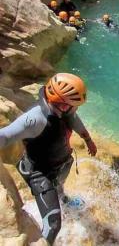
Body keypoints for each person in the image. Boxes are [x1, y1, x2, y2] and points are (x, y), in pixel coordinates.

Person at [0, 73, 97, 245]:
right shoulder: (36, 118)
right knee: (53, 224)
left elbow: (74, 119)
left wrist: (88, 140)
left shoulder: (62, 110)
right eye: (74, 105)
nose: (76, 109)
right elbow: (6, 136)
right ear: (62, 103)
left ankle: (63, 200)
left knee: (59, 185)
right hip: (39, 173)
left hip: (58, 164)